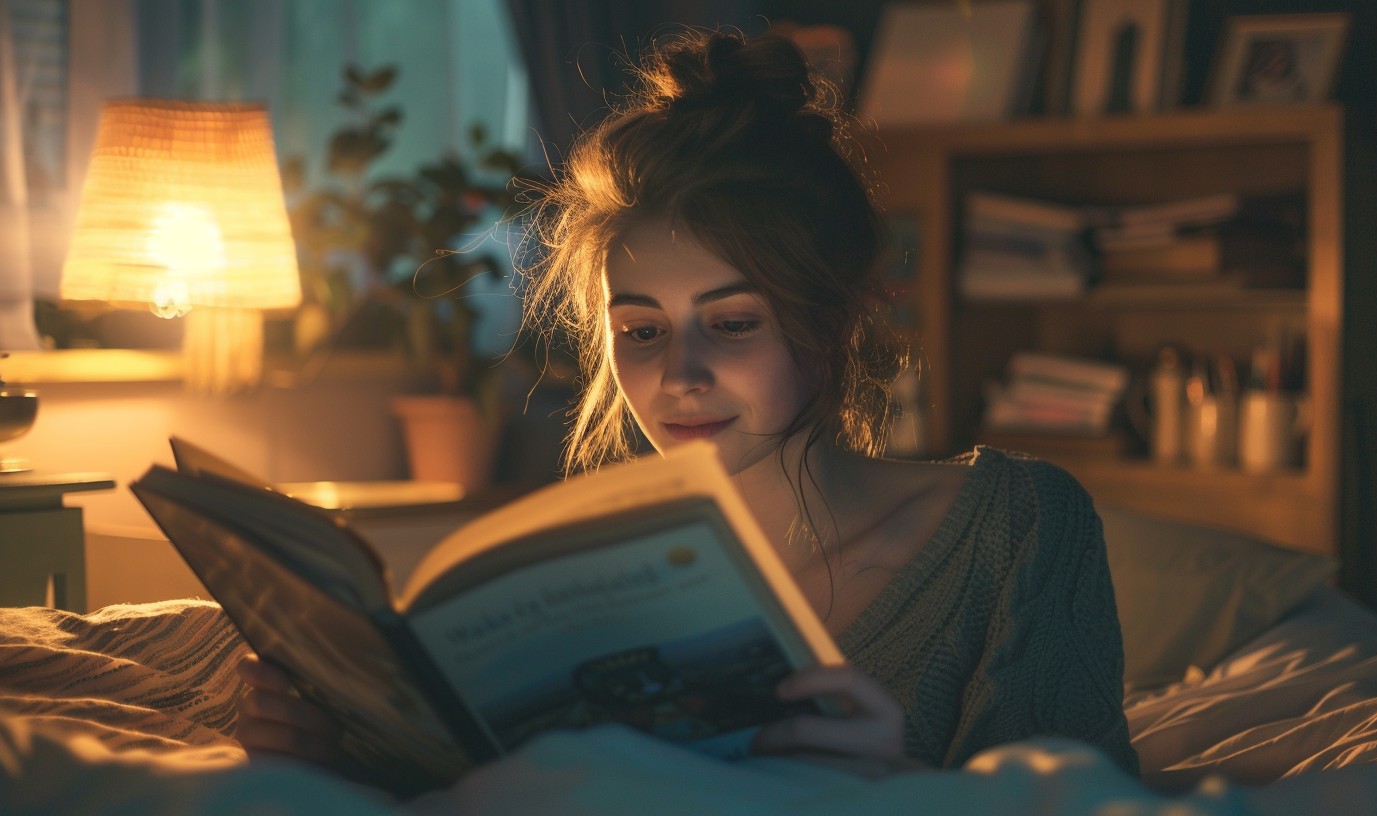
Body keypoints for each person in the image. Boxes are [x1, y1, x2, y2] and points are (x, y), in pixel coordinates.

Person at [238, 28, 1138, 783]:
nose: (680, 376)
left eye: (733, 323)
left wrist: (892, 792)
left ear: (829, 322)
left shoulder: (1017, 526)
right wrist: (333, 753)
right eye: (641, 330)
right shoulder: (574, 584)